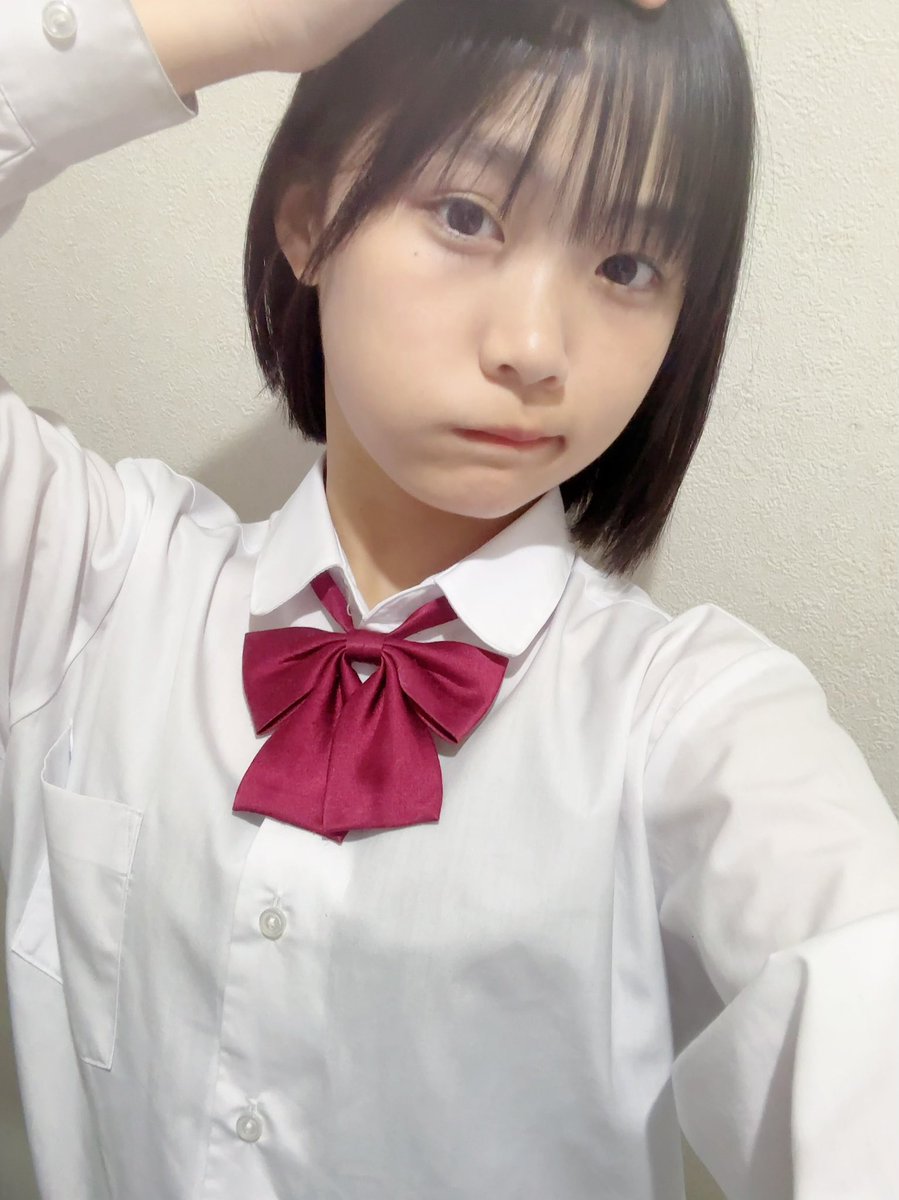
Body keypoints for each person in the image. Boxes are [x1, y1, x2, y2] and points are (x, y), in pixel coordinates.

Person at [0, 1, 897, 1198]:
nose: (532, 345)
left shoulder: (696, 722)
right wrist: (251, 20)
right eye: (466, 214)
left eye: (626, 266)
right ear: (308, 217)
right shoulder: (81, 575)